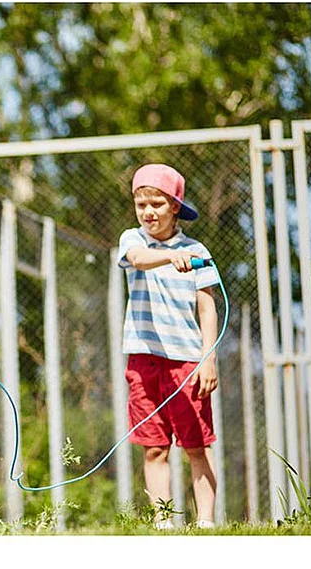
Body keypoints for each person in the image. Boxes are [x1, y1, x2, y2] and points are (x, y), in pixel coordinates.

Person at [117, 163, 220, 530]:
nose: (148, 212)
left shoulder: (196, 250)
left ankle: (205, 522)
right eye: (140, 204)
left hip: (186, 362)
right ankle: (164, 524)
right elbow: (137, 261)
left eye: (157, 204)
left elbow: (206, 307)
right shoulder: (133, 240)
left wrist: (207, 359)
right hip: (143, 360)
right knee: (154, 446)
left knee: (195, 447)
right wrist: (167, 257)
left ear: (175, 206)